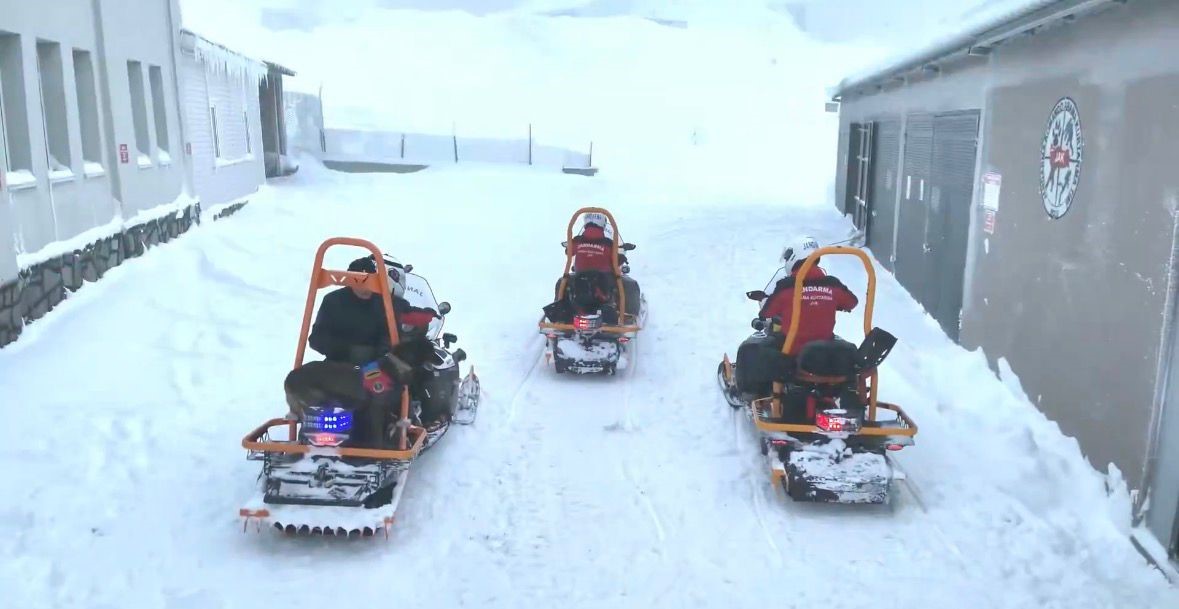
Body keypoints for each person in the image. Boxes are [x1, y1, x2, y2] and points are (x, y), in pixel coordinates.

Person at [286, 254, 438, 447]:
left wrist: (423, 317)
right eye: (360, 283)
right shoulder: (333, 302)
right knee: (344, 394)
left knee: (394, 387)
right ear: (350, 281)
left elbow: (399, 323)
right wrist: (348, 350)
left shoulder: (385, 302)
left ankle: (393, 432)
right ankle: (323, 437)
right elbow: (316, 339)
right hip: (338, 364)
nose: (365, 289)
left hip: (374, 365)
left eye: (369, 283)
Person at [759, 236, 859, 355]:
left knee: (756, 346)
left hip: (791, 352)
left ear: (794, 256)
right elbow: (852, 302)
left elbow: (766, 313)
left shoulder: (786, 286)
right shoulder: (833, 284)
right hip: (823, 352)